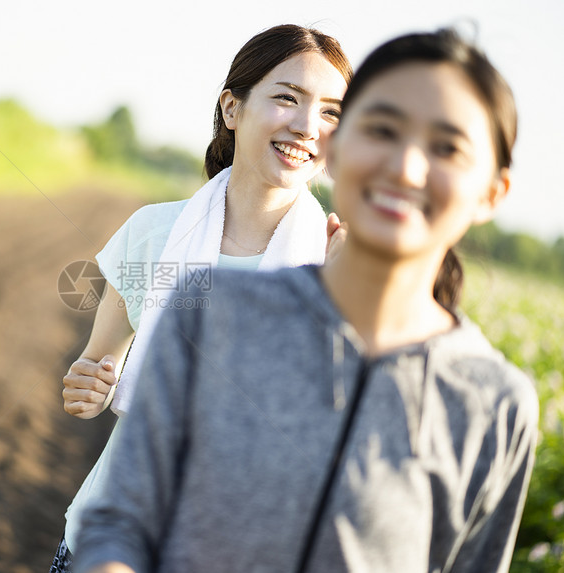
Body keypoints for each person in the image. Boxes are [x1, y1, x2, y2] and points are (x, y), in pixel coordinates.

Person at [74, 28, 539, 573]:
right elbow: (121, 517)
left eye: (448, 147)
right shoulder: (221, 308)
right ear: (341, 154)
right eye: (384, 130)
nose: (406, 167)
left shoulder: (495, 404)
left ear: (492, 192)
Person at [51, 24, 353, 572]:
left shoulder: (342, 266)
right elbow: (98, 368)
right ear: (232, 109)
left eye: (331, 112)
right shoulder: (153, 232)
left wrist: (336, 305)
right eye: (287, 97)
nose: (308, 126)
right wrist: (88, 384)